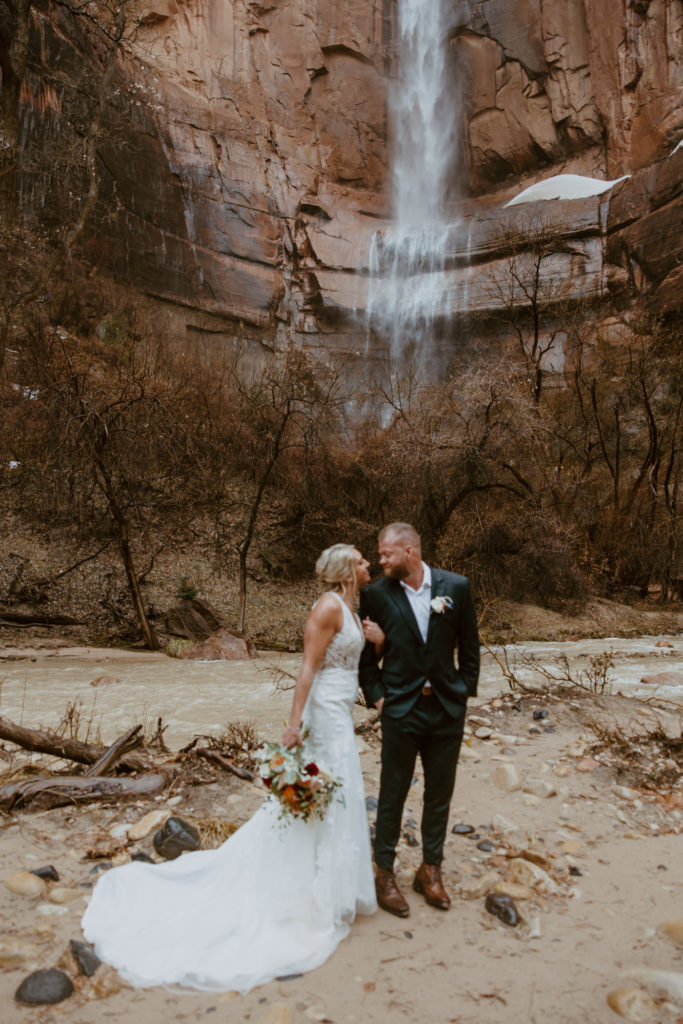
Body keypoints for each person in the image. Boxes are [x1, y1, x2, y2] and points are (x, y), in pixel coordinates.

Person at [82, 544, 378, 992]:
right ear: (345, 571)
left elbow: (353, 659)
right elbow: (306, 671)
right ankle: (301, 889)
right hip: (324, 715)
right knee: (312, 795)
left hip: (341, 712)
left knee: (334, 793)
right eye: (361, 559)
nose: (368, 564)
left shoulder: (353, 608)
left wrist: (379, 640)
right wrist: (294, 727)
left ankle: (327, 885)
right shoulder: (327, 608)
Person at [359, 523, 480, 918]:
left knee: (439, 795)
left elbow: (470, 645)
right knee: (392, 793)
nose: (380, 561)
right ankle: (385, 874)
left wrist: (463, 691)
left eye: (385, 554)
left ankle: (431, 870)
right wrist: (378, 698)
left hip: (446, 709)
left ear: (410, 551)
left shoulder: (455, 587)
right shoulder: (375, 594)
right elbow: (366, 661)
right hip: (401, 710)